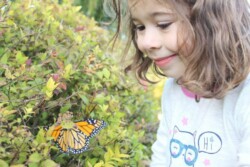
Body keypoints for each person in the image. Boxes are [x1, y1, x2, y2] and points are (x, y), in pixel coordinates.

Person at [105, 0, 250, 166]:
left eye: (163, 24)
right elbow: (162, 155)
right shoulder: (173, 87)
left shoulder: (244, 95)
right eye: (140, 27)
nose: (145, 42)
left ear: (213, 20)